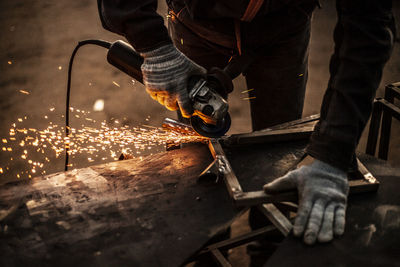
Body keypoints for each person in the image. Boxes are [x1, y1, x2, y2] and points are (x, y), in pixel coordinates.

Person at [98, 0, 395, 259]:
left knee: (278, 151)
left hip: (284, 29)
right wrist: (154, 45)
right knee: (196, 162)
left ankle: (268, 247)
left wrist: (332, 156)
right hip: (196, 25)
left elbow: (367, 28)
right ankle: (207, 248)